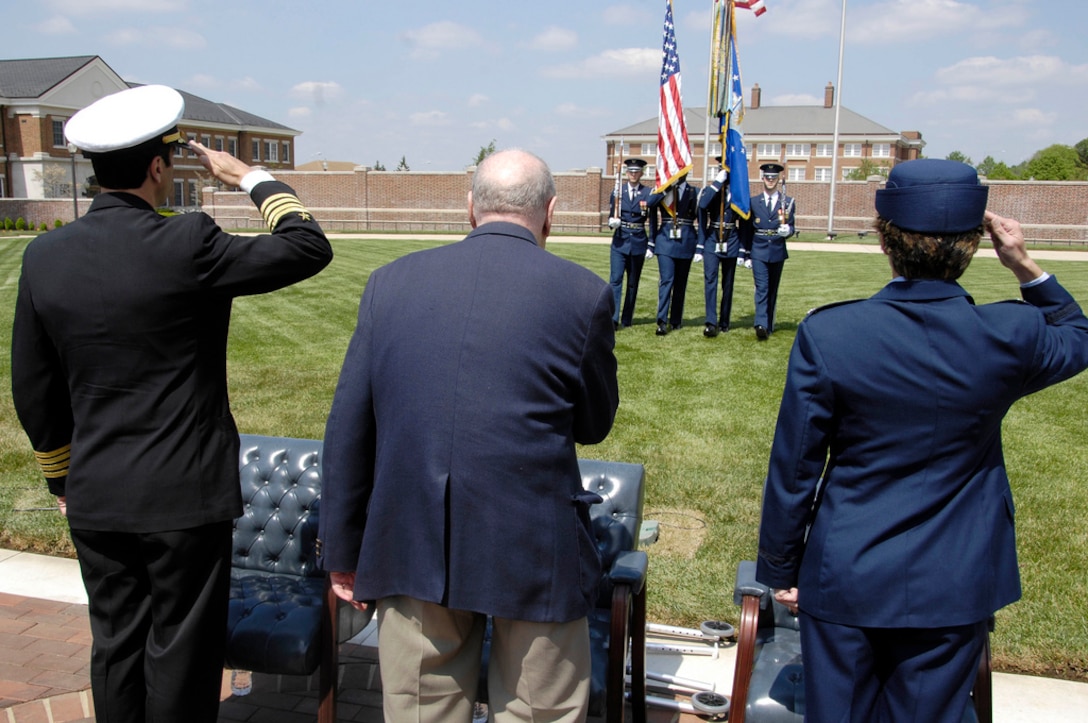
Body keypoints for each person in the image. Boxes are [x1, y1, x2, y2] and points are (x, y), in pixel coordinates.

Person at [9, 84, 333, 723]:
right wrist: (251, 176)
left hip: (97, 490)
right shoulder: (188, 243)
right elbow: (307, 245)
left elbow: (33, 384)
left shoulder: (44, 256)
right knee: (181, 653)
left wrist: (59, 477)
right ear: (158, 166)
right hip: (184, 494)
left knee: (117, 643)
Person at [756, 159, 1088, 723]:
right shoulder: (1010, 335)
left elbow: (796, 469)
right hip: (954, 576)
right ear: (973, 246)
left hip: (848, 570)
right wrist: (1025, 265)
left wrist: (781, 569)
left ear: (886, 242)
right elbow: (1076, 335)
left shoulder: (833, 334)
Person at [318, 149, 619, 723]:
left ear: (470, 209)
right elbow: (593, 423)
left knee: (420, 710)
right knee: (540, 711)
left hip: (413, 538)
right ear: (550, 212)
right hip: (534, 547)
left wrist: (342, 546)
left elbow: (350, 424)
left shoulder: (390, 283)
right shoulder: (582, 293)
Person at [740, 162, 795, 339]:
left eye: (773, 178)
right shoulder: (754, 202)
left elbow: (791, 225)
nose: (770, 180)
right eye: (767, 177)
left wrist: (789, 231)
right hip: (759, 249)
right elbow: (747, 230)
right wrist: (746, 254)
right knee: (762, 287)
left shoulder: (787, 202)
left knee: (772, 289)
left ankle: (769, 324)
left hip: (777, 249)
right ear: (762, 179)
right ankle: (761, 324)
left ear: (778, 180)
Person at [647, 171, 700, 335]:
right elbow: (650, 203)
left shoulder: (694, 192)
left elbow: (701, 215)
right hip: (665, 242)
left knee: (680, 283)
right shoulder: (663, 190)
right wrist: (666, 188)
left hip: (686, 241)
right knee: (666, 280)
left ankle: (676, 319)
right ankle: (662, 320)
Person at [697, 157, 741, 337]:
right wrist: (718, 182)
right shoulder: (712, 189)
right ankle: (711, 321)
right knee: (710, 280)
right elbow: (702, 204)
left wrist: (744, 251)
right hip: (712, 238)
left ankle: (725, 320)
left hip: (731, 239)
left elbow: (744, 218)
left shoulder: (739, 191)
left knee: (728, 283)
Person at [607, 158, 652, 329]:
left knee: (633, 282)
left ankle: (627, 318)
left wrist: (651, 244)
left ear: (641, 173)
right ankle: (613, 318)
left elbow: (653, 220)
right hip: (620, 241)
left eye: (636, 172)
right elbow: (612, 215)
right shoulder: (618, 192)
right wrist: (612, 222)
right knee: (615, 280)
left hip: (638, 241)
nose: (633, 174)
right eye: (630, 172)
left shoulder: (647, 193)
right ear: (626, 173)